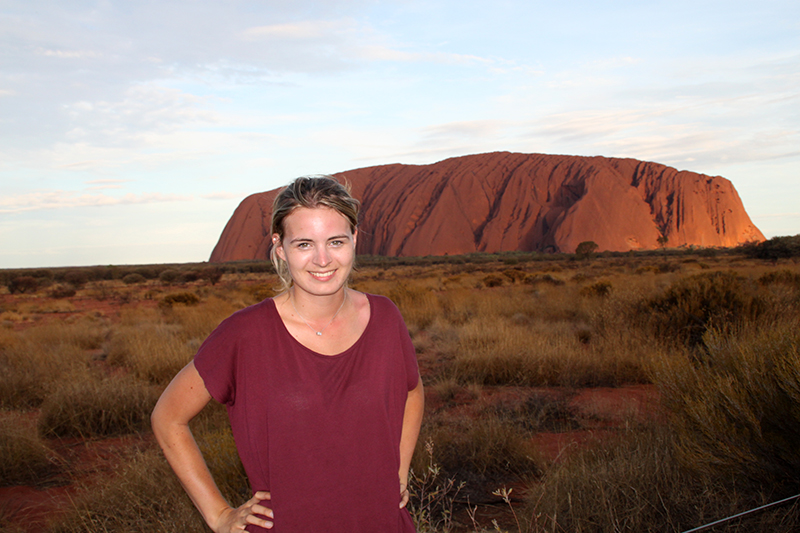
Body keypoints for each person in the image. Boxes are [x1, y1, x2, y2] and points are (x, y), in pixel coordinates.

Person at [151, 176, 425, 533]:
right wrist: (218, 514)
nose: (323, 259)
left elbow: (412, 391)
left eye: (336, 241)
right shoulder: (245, 334)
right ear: (280, 247)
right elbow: (168, 417)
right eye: (304, 244)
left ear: (355, 239)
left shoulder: (385, 317)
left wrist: (398, 471)